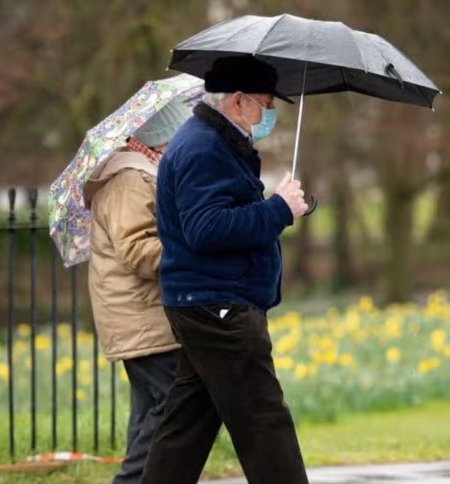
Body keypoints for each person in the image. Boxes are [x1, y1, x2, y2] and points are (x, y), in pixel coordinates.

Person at [141, 57, 309, 484]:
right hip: (219, 307)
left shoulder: (214, 142)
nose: (270, 114)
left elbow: (221, 213)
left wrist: (277, 206)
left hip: (205, 302)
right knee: (264, 419)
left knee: (186, 429)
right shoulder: (205, 148)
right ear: (239, 100)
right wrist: (278, 208)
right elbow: (207, 228)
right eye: (267, 104)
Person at [84, 97, 192, 484]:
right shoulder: (131, 179)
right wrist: (188, 247)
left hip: (144, 317)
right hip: (141, 319)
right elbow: (137, 251)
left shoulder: (146, 174)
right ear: (164, 137)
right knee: (173, 406)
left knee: (151, 410)